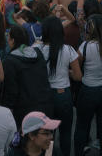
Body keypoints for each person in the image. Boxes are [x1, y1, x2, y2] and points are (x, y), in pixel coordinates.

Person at [34, 15, 81, 156]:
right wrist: (67, 72)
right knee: (66, 134)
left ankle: (49, 154)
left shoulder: (38, 49)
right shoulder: (68, 50)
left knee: (48, 135)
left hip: (45, 96)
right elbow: (78, 76)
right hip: (63, 96)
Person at [74, 13, 102, 156]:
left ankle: (78, 152)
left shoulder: (84, 46)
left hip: (88, 91)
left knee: (82, 126)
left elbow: (77, 67)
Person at [1, 24, 53, 126]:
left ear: (12, 40)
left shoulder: (9, 61)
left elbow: (10, 91)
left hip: (23, 112)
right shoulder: (38, 53)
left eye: (8, 37)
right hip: (44, 106)